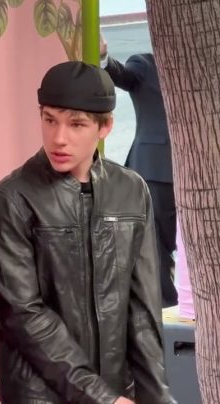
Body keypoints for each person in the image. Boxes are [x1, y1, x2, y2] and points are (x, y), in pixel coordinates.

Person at [0, 61, 175, 404]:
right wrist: (100, 397)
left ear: (105, 127)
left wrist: (156, 397)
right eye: (49, 120)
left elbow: (142, 309)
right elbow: (24, 315)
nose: (59, 138)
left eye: (76, 124)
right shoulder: (11, 199)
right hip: (40, 396)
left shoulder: (132, 190)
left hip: (117, 392)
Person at [100, 36, 177, 307]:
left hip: (204, 172)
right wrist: (104, 56)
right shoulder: (144, 64)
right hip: (156, 169)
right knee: (156, 243)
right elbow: (122, 76)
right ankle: (166, 306)